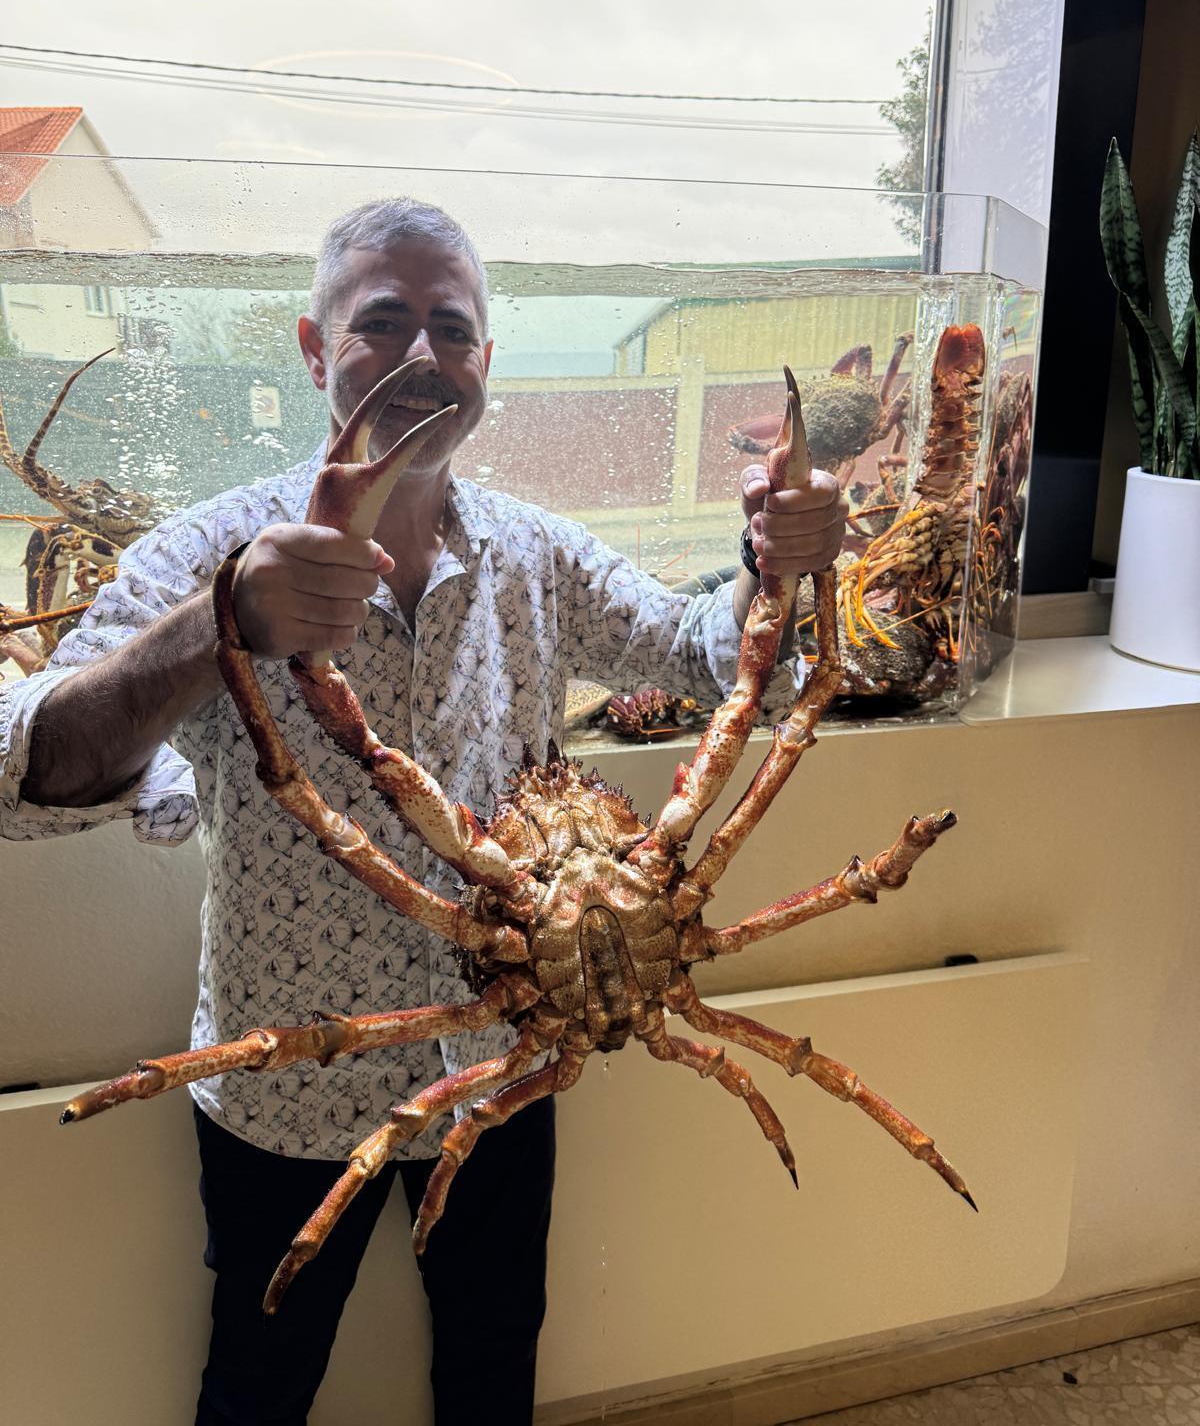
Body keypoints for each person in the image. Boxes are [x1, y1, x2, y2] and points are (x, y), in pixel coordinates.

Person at [0, 199, 846, 1426]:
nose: (420, 358)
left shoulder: (535, 554)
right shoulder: (216, 549)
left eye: (451, 329)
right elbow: (25, 770)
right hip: (287, 1086)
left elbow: (700, 651)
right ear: (312, 345)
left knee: (495, 1371)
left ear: (486, 363)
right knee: (257, 1384)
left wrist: (774, 566)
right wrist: (222, 618)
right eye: (381, 322)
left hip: (511, 1062)